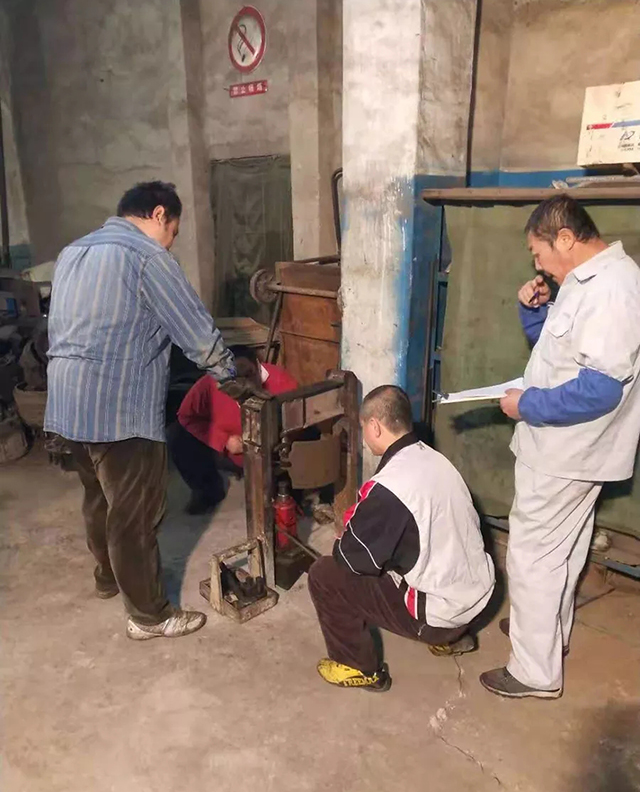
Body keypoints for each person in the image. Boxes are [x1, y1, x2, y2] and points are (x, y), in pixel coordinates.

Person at [45, 181, 236, 641]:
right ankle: (150, 616)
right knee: (134, 514)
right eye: (174, 231)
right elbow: (195, 331)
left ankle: (107, 578)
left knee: (98, 496)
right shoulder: (147, 257)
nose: (171, 241)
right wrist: (231, 375)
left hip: (67, 402)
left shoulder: (73, 252)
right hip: (119, 407)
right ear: (159, 214)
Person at [480, 195, 640, 699]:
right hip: (571, 450)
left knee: (531, 556)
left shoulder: (612, 289)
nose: (538, 264)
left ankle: (534, 671)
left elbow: (601, 389)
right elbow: (560, 354)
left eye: (538, 252)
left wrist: (526, 405)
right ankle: (545, 635)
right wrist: (534, 312)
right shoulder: (586, 280)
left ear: (565, 238)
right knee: (564, 551)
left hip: (565, 453)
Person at [308, 385, 496, 692]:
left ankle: (359, 666)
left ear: (374, 426)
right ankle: (454, 639)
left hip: (441, 617)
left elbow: (351, 559)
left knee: (324, 574)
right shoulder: (436, 460)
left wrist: (350, 532)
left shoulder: (390, 487)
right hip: (477, 598)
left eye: (363, 429)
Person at [168, 346, 298, 514]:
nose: (244, 384)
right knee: (178, 437)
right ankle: (208, 491)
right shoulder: (209, 384)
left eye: (249, 374)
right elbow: (186, 416)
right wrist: (224, 440)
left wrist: (274, 439)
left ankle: (290, 490)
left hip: (272, 453)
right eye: (236, 377)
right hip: (229, 454)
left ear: (258, 367)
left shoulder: (280, 379)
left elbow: (298, 417)